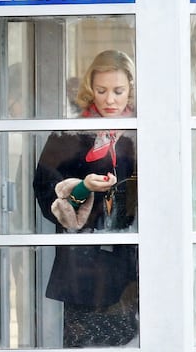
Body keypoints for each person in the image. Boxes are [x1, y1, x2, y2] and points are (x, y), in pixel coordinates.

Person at [32, 49, 138, 347]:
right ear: (90, 89)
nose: (110, 100)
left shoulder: (144, 131)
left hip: (131, 262)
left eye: (118, 91)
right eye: (101, 91)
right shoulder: (70, 133)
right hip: (84, 265)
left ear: (131, 88)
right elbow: (44, 187)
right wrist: (82, 189)